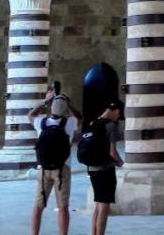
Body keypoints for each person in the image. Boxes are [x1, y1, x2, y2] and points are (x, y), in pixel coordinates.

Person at [29, 88, 79, 235]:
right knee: (63, 207)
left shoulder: (40, 123)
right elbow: (80, 116)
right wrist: (69, 104)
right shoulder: (69, 123)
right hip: (62, 170)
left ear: (51, 107)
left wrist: (45, 101)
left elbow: (30, 114)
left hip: (43, 169)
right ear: (65, 109)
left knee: (38, 206)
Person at [83, 101, 122, 235]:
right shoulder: (110, 126)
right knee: (104, 207)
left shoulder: (93, 123)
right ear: (116, 111)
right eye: (119, 114)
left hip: (92, 169)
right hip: (105, 170)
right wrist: (122, 163)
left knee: (98, 205)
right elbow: (112, 152)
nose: (118, 117)